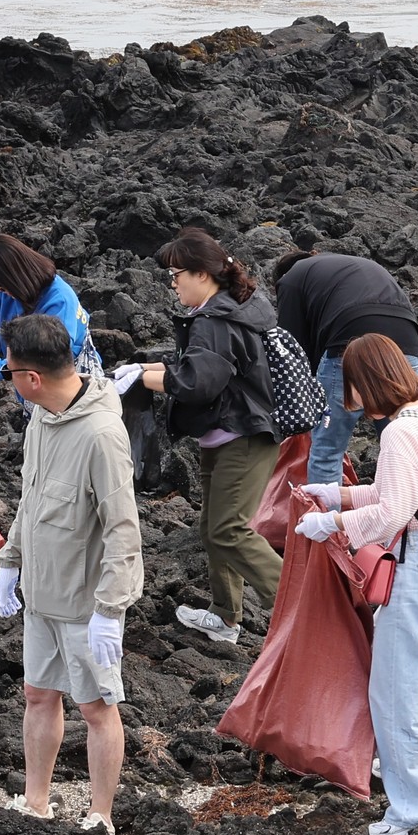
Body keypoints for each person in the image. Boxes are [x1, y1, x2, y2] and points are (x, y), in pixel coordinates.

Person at [292, 334, 418, 835]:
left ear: (364, 381)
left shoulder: (399, 433)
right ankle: (415, 802)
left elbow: (395, 511)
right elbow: (398, 493)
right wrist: (337, 495)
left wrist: (334, 526)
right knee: (397, 690)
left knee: (394, 695)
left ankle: (415, 810)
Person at [0, 314, 142, 835]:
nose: (6, 377)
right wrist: (10, 563)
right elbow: (31, 498)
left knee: (97, 707)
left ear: (32, 377)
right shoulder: (41, 417)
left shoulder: (101, 436)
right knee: (38, 693)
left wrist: (110, 611)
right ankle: (37, 802)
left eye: (10, 371)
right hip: (41, 593)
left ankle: (100, 815)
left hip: (85, 603)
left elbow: (124, 529)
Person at [139, 227, 284, 646]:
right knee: (212, 528)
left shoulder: (213, 319)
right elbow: (207, 371)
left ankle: (306, 611)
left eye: (176, 274)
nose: (173, 284)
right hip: (229, 433)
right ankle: (225, 617)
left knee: (228, 530)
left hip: (243, 434)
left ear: (202, 274)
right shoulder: (237, 306)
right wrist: (148, 371)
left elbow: (199, 382)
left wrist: (144, 378)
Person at [274, 244, 418, 486]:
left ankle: (326, 523)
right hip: (406, 343)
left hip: (350, 343)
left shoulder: (290, 280)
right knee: (402, 445)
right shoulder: (343, 266)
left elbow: (293, 351)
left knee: (327, 451)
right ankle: (411, 521)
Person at [0, 232, 97, 386]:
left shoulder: (60, 300)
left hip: (68, 382)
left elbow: (44, 358)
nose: (1, 292)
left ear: (16, 277)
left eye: (3, 287)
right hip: (31, 387)